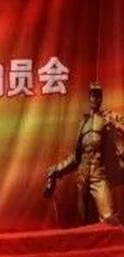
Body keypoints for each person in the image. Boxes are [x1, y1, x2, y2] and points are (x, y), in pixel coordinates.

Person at [45, 82, 124, 225]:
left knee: (109, 218)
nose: (95, 99)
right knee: (83, 223)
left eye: (98, 96)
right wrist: (57, 169)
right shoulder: (83, 124)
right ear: (89, 98)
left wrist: (115, 125)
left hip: (99, 175)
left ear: (101, 98)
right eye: (93, 95)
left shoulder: (108, 118)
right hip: (82, 177)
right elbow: (76, 157)